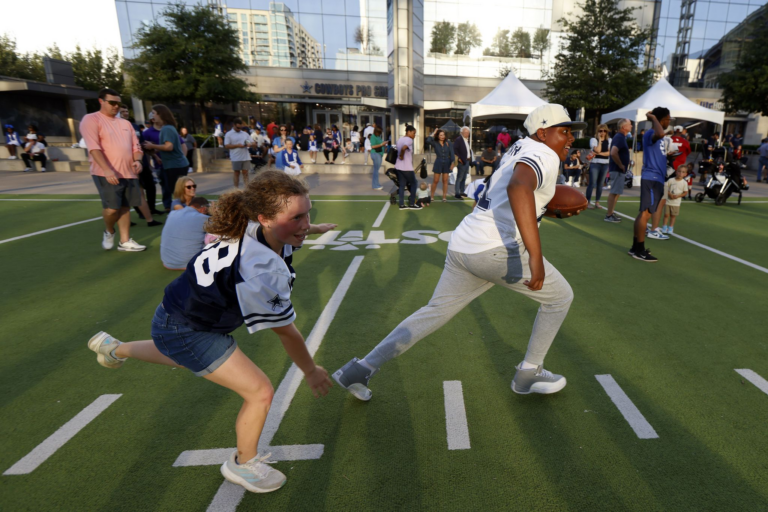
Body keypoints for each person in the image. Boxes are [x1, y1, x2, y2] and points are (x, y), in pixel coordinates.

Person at [87, 171, 336, 494]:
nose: (306, 223)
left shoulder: (252, 227)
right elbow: (286, 332)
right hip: (191, 327)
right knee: (259, 391)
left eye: (308, 213)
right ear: (264, 218)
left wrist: (310, 228)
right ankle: (243, 464)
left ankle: (113, 348)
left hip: (173, 314)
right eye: (298, 217)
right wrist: (311, 370)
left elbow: (284, 232)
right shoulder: (260, 268)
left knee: (178, 353)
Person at [332, 103, 582, 401]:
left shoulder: (521, 146)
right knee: (560, 298)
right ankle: (529, 372)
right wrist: (535, 257)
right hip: (495, 249)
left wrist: (541, 205)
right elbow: (518, 188)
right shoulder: (544, 153)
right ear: (543, 132)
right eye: (564, 131)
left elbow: (515, 188)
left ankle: (360, 368)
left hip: (465, 242)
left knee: (434, 311)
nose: (570, 138)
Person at [80, 88, 146, 252]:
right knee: (112, 209)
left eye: (118, 103)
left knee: (125, 207)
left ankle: (124, 241)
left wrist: (138, 161)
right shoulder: (91, 119)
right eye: (112, 103)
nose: (116, 106)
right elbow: (94, 148)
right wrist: (107, 170)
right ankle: (109, 231)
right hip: (105, 173)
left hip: (129, 172)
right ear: (101, 101)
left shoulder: (126, 123)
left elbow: (136, 147)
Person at [629, 107, 672, 262]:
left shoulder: (657, 136)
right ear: (660, 119)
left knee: (644, 213)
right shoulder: (651, 133)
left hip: (657, 178)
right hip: (652, 178)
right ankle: (639, 250)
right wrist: (653, 118)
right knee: (646, 213)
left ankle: (635, 247)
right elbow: (660, 133)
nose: (669, 121)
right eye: (667, 118)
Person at [119, 105, 163, 225]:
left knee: (150, 187)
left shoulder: (134, 126)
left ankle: (151, 210)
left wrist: (155, 156)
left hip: (142, 162)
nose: (125, 113)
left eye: (126, 110)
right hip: (128, 166)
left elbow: (142, 144)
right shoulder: (116, 127)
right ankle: (140, 213)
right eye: (122, 111)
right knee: (134, 192)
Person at [142, 105, 190, 211]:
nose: (152, 115)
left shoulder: (167, 129)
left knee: (178, 192)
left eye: (154, 112)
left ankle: (183, 212)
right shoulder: (169, 128)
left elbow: (169, 147)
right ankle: (183, 211)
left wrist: (152, 146)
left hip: (174, 166)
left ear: (161, 114)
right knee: (179, 191)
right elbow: (170, 146)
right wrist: (155, 152)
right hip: (175, 165)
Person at [160, 196, 215, 270]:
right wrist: (215, 214)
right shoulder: (202, 218)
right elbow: (224, 226)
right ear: (204, 209)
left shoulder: (172, 214)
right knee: (215, 235)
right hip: (190, 263)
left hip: (167, 262)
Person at [604, 119, 632, 223]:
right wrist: (620, 164)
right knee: (614, 191)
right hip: (617, 169)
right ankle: (609, 214)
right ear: (624, 127)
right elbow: (613, 152)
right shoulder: (619, 137)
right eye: (630, 125)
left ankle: (611, 212)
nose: (631, 126)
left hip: (618, 169)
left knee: (617, 192)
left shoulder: (620, 137)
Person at [425, 128, 454, 202]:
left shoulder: (448, 143)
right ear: (438, 136)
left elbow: (452, 153)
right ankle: (432, 196)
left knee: (445, 180)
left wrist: (452, 162)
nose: (442, 136)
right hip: (438, 162)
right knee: (436, 180)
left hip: (447, 162)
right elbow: (428, 141)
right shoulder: (435, 143)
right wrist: (433, 132)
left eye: (443, 135)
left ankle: (444, 197)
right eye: (441, 135)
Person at [395, 125, 421, 210]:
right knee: (414, 183)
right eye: (414, 133)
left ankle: (401, 205)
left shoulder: (400, 139)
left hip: (398, 166)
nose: (414, 135)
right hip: (406, 167)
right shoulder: (409, 140)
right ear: (408, 132)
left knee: (402, 185)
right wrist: (402, 155)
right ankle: (412, 203)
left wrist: (401, 155)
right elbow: (403, 148)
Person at [587, 124, 611, 209]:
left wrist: (599, 154)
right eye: (601, 131)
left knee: (600, 184)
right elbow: (597, 149)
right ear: (597, 132)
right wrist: (600, 141)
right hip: (595, 163)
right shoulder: (593, 140)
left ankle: (597, 202)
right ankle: (588, 202)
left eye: (604, 131)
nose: (603, 133)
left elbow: (609, 153)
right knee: (592, 183)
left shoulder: (609, 140)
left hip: (605, 164)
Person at [224, 118, 253, 188]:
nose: (239, 129)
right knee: (236, 173)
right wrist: (237, 145)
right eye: (237, 127)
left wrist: (249, 144)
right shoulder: (229, 134)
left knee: (245, 173)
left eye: (240, 127)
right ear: (233, 125)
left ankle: (247, 188)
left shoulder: (244, 133)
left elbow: (250, 141)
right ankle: (236, 189)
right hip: (235, 157)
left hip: (245, 156)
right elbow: (227, 145)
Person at [661, 165, 689, 234]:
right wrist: (669, 194)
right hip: (668, 202)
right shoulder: (671, 180)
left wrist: (678, 196)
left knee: (673, 216)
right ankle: (664, 227)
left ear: (685, 174)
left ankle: (671, 227)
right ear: (676, 172)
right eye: (679, 171)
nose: (680, 174)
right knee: (666, 215)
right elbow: (665, 188)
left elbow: (685, 192)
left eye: (683, 172)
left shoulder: (684, 183)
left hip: (676, 203)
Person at [454, 127, 473, 199]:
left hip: (467, 161)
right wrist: (459, 159)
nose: (467, 134)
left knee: (464, 177)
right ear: (461, 132)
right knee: (460, 177)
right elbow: (455, 149)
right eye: (465, 132)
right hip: (462, 161)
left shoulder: (466, 140)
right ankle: (457, 193)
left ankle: (462, 191)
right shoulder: (459, 140)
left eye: (468, 133)